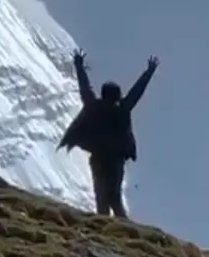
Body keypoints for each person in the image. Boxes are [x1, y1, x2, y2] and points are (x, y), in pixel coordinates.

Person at [57, 48, 159, 218]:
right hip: (116, 160)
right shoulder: (123, 109)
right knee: (115, 197)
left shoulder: (93, 106)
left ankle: (104, 226)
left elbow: (84, 87)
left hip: (97, 157)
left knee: (101, 196)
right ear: (117, 95)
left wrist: (79, 65)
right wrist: (149, 72)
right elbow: (136, 92)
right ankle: (123, 228)